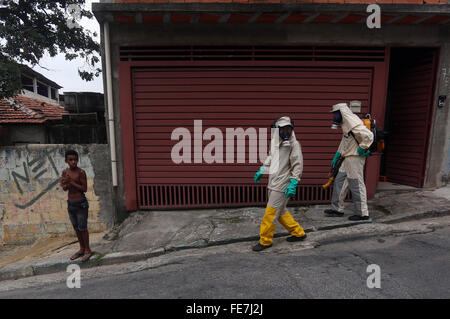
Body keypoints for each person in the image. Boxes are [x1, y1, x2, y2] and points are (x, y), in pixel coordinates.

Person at [252, 116, 307, 252]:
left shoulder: (294, 144)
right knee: (281, 211)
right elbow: (271, 157)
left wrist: (294, 182)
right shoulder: (275, 142)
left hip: (283, 184)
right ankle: (298, 233)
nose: (286, 132)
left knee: (270, 213)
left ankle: (265, 241)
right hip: (273, 182)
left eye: (288, 129)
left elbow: (297, 164)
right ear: (277, 130)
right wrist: (262, 169)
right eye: (282, 129)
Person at [324, 103, 374, 221]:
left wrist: (363, 147)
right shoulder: (346, 124)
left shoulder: (353, 122)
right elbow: (346, 140)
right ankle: (337, 209)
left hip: (355, 158)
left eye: (336, 114)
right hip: (347, 157)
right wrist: (338, 154)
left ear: (342, 113)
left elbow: (369, 135)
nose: (334, 117)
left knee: (356, 184)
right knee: (339, 181)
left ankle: (363, 213)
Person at [60, 149, 92, 262]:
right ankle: (81, 248)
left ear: (78, 160)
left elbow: (84, 189)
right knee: (77, 228)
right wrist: (64, 183)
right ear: (66, 161)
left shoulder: (81, 172)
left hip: (81, 204)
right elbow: (64, 188)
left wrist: (71, 182)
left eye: (75, 159)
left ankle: (88, 250)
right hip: (71, 204)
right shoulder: (65, 172)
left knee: (83, 228)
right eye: (70, 160)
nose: (73, 162)